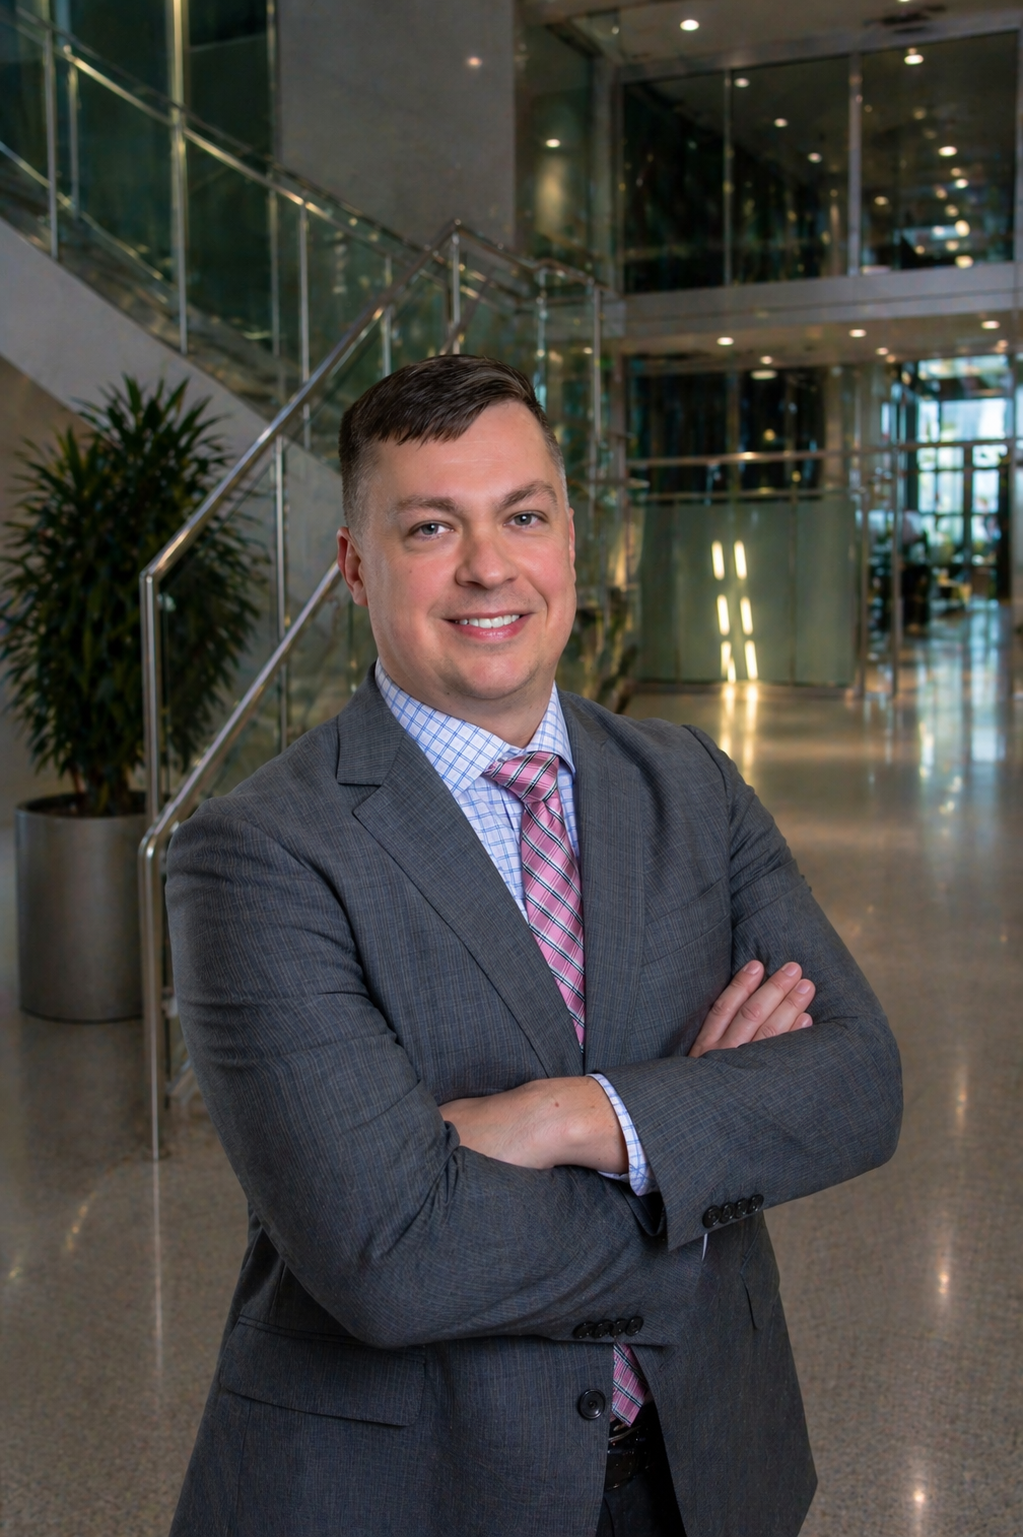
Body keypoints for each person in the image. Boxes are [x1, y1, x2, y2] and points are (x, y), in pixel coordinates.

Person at [166, 355, 901, 1537]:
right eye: (428, 527)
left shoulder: (691, 787)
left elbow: (861, 1081)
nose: (488, 567)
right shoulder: (254, 856)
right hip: (416, 1493)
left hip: (708, 1468)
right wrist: (696, 1151)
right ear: (354, 565)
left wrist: (573, 1115)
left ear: (570, 533)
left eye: (522, 514)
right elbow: (390, 1256)